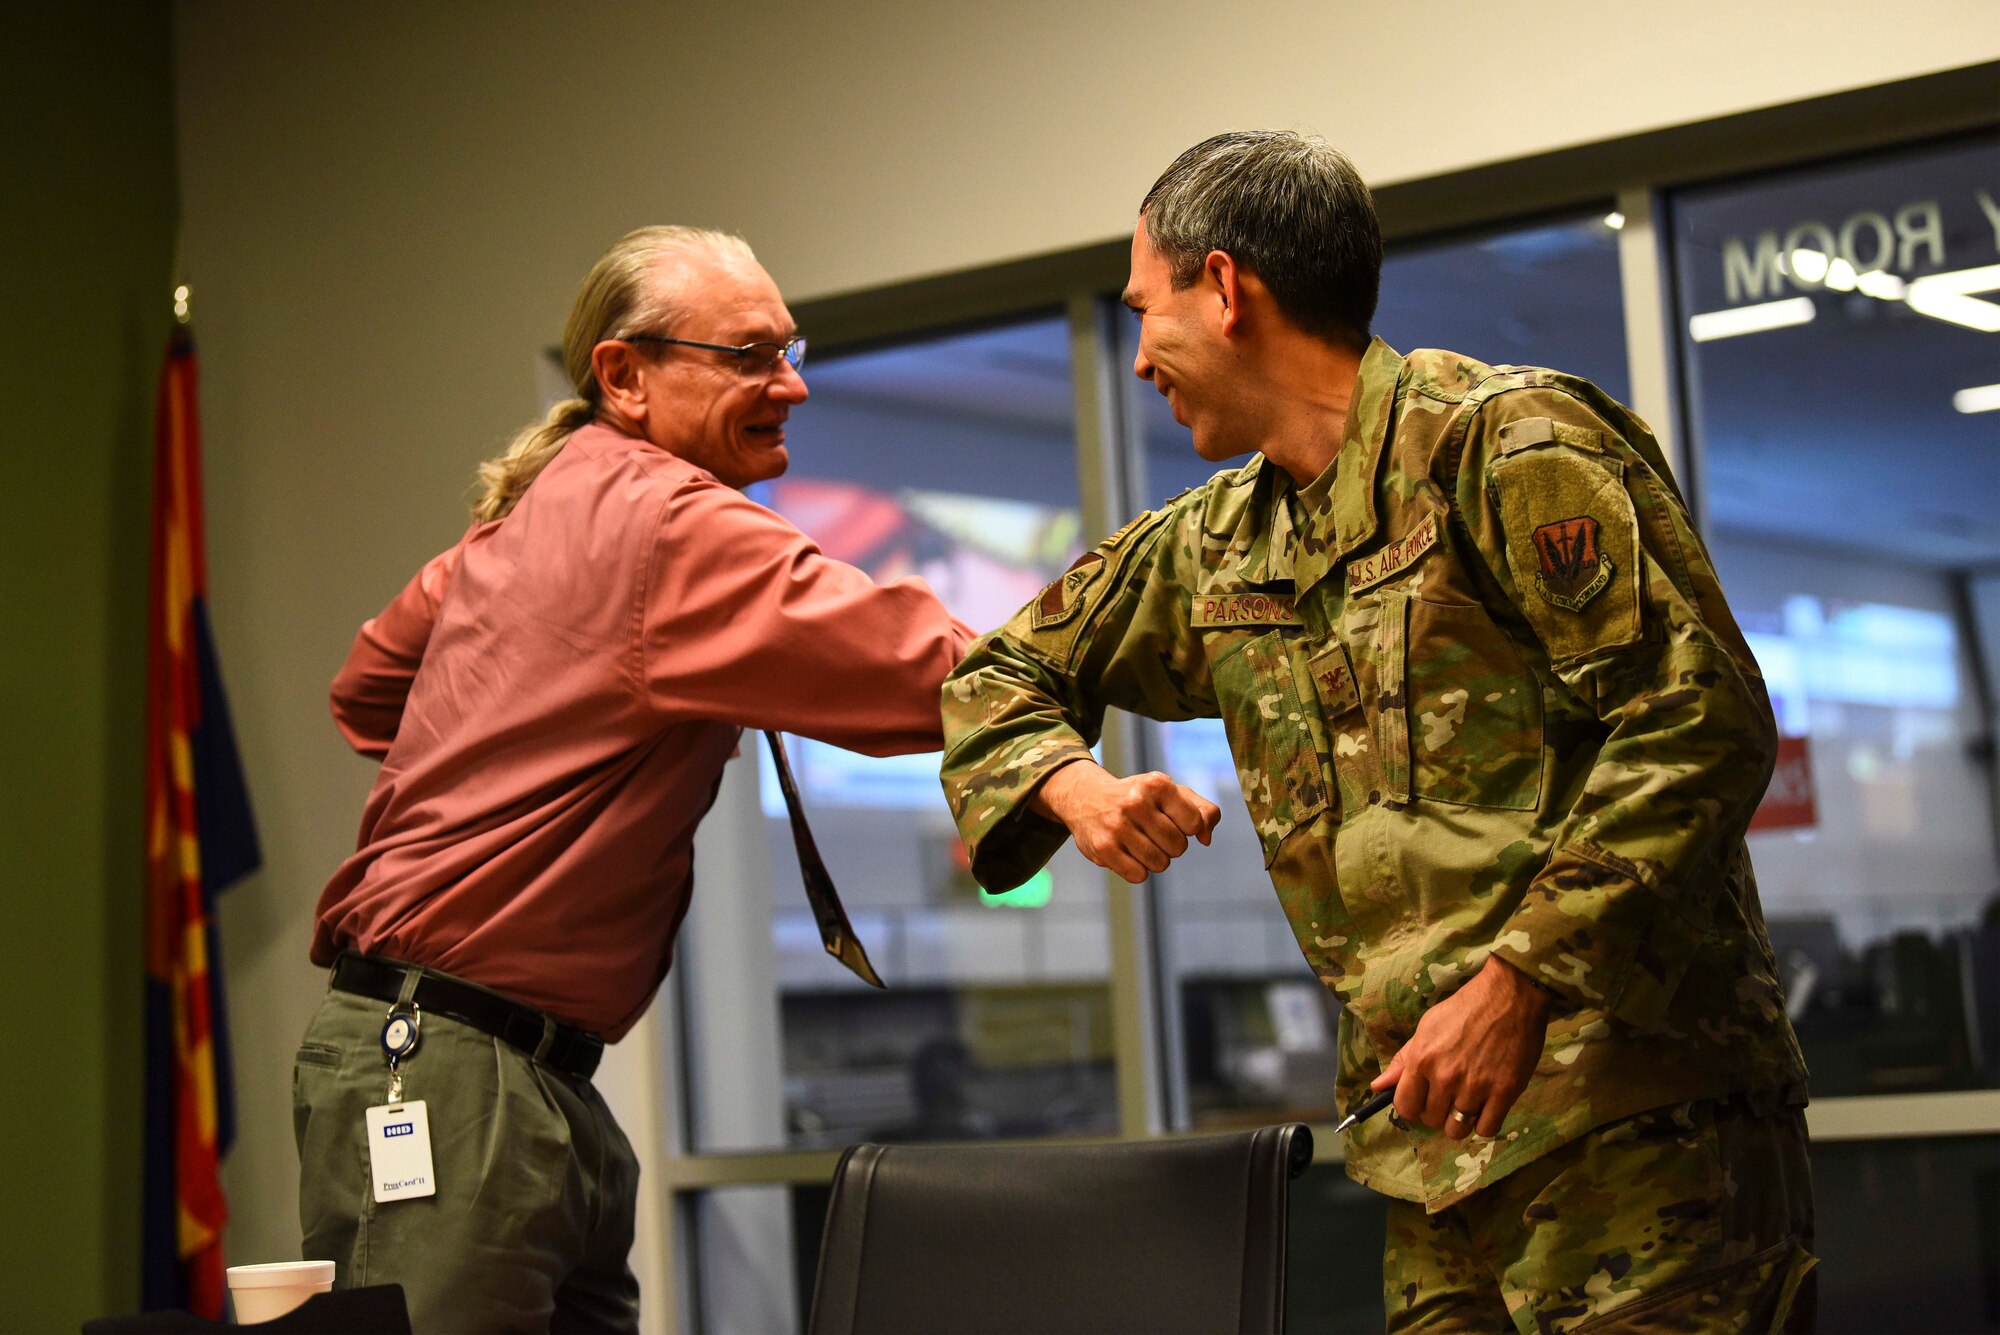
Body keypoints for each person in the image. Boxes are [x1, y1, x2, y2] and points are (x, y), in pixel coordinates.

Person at [939, 132, 1815, 1332]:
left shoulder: (1502, 445)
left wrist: (1518, 979)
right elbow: (997, 676)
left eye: (1145, 309)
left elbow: (1694, 720)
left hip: (1633, 1126)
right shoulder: (1217, 543)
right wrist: (1073, 789)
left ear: (1226, 288)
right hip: (1429, 1154)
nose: (1137, 355)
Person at [298, 225, 975, 1332]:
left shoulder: (530, 515)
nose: (790, 383)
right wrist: (1118, 640)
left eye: (790, 348)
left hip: (520, 1070)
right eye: (750, 356)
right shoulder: (667, 519)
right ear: (624, 374)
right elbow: (922, 665)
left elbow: (372, 688)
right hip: (451, 1072)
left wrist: (528, 722)